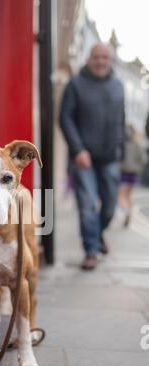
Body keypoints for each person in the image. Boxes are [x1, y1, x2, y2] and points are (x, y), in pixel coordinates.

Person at [60, 44, 125, 270]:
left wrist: (120, 152)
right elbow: (65, 118)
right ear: (89, 58)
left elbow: (121, 119)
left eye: (105, 57)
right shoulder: (75, 84)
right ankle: (90, 251)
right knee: (87, 205)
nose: (101, 61)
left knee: (110, 206)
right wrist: (78, 150)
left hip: (110, 158)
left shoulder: (117, 85)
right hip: (84, 158)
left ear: (110, 60)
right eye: (96, 57)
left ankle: (97, 234)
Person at [118, 124, 148, 226]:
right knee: (128, 196)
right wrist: (137, 169)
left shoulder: (121, 144)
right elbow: (144, 159)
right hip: (133, 173)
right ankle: (129, 212)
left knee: (121, 196)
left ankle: (126, 211)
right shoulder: (136, 143)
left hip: (123, 172)